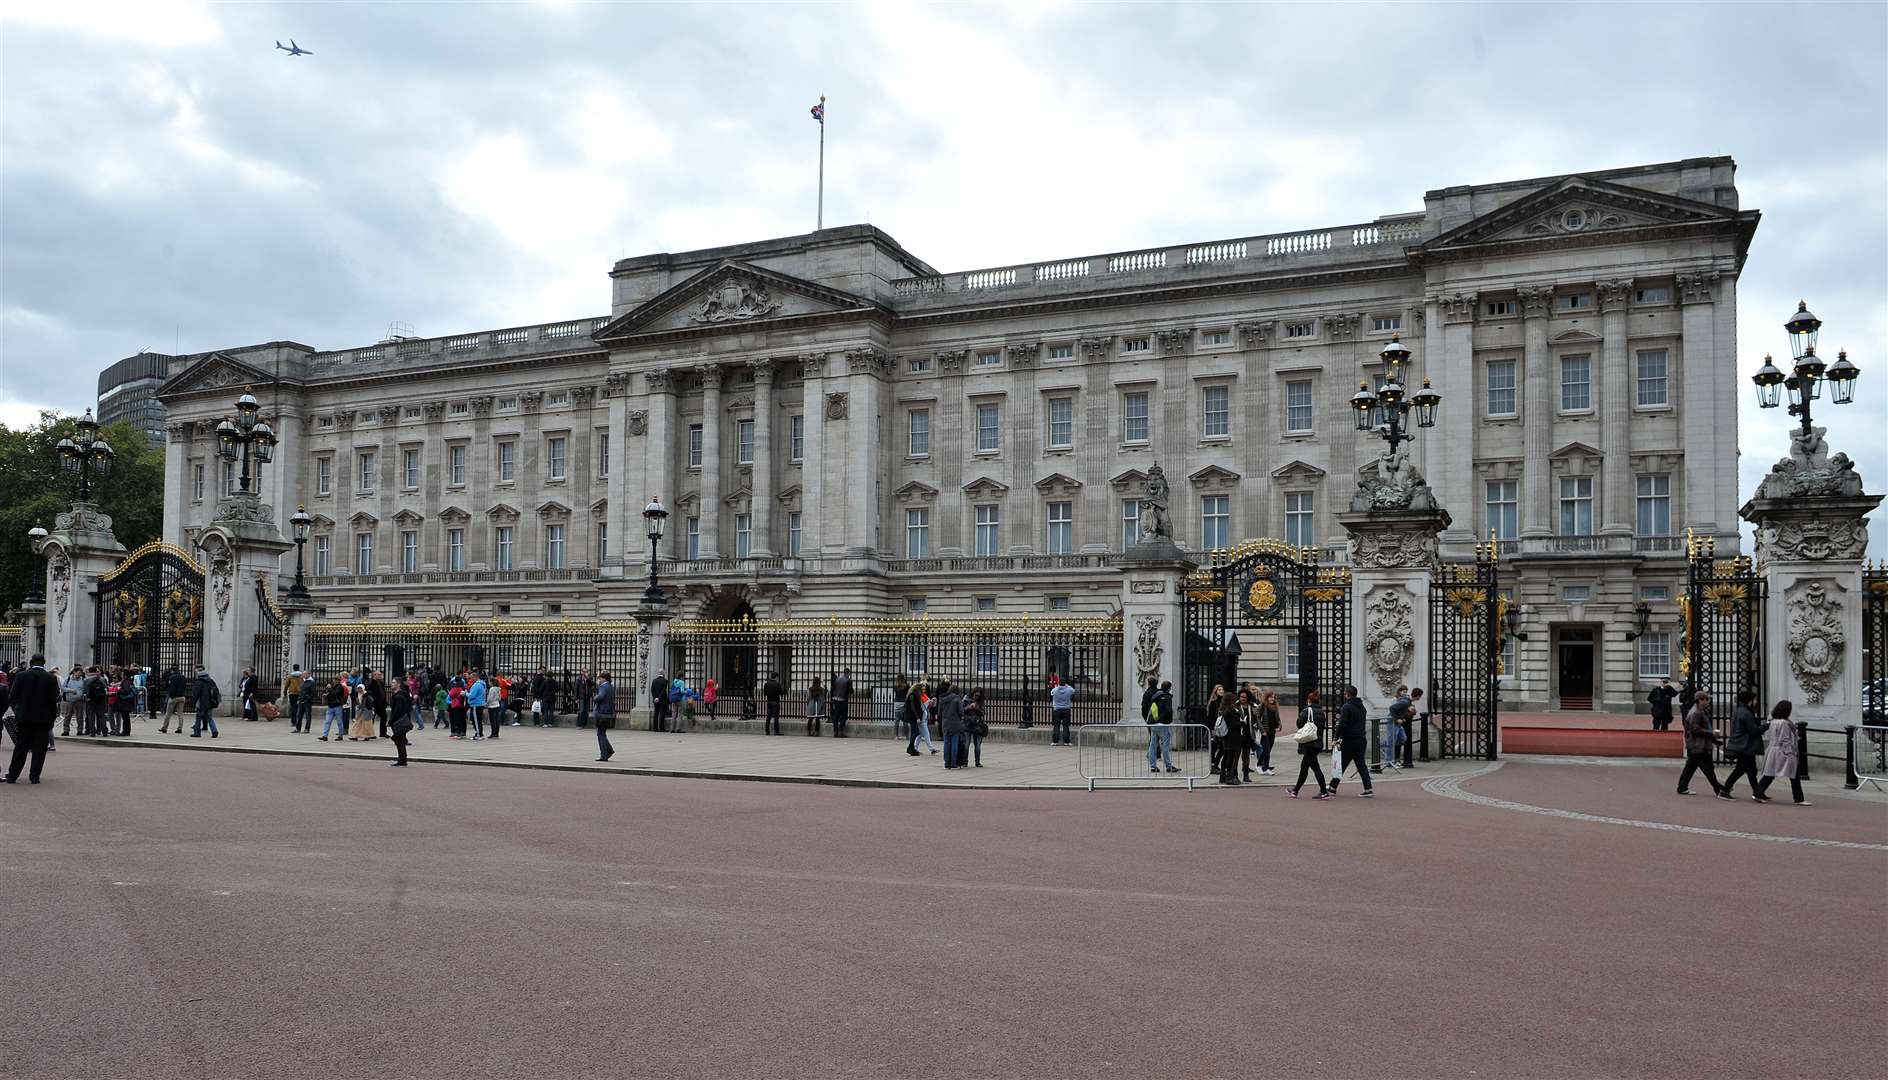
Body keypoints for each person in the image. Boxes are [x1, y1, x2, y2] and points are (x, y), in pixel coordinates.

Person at [5, 655, 59, 785]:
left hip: (24, 717)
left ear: (30, 663)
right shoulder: (51, 678)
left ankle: (13, 775)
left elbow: (13, 696)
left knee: (21, 747)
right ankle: (34, 776)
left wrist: (18, 710)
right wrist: (52, 717)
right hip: (43, 718)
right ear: (44, 663)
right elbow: (53, 700)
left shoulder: (21, 676)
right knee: (39, 749)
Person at [1755, 700, 1809, 805]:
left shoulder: (1773, 721)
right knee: (1794, 775)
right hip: (1783, 751)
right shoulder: (1784, 723)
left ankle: (1758, 792)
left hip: (1773, 750)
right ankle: (1799, 799)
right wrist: (1790, 753)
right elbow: (1785, 739)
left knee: (1770, 773)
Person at [1678, 690, 1729, 798]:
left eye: (1707, 699)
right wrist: (1712, 733)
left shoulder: (1701, 712)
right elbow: (1695, 730)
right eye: (1705, 699)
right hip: (1698, 745)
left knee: (1690, 768)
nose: (1707, 701)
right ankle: (1719, 789)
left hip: (1697, 745)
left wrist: (1713, 739)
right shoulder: (1696, 713)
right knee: (1708, 769)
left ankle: (1682, 787)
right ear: (1699, 700)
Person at [1328, 685, 1375, 797]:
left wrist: (1335, 738)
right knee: (1360, 765)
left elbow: (1342, 724)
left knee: (1342, 764)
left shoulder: (1347, 707)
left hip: (1350, 740)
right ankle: (1368, 789)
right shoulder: (1362, 707)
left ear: (1348, 694)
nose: (1344, 695)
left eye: (1345, 694)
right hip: (1361, 740)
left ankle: (1332, 787)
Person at [1721, 689, 1767, 798]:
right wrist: (1766, 726)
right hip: (1745, 745)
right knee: (1741, 769)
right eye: (1754, 699)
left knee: (1751, 771)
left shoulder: (1740, 710)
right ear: (1749, 701)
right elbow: (1754, 730)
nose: (1756, 702)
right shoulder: (1746, 713)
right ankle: (1725, 789)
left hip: (1742, 744)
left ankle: (1758, 792)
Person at [1287, 696, 1331, 799]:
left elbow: (1299, 723)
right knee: (1304, 767)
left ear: (1309, 701)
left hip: (1309, 743)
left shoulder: (1307, 710)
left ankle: (1324, 791)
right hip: (1318, 742)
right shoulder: (1321, 712)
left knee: (1315, 768)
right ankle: (1295, 791)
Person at [1146, 680, 1179, 774]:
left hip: (1153, 723)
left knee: (1153, 744)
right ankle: (1168, 766)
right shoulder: (1166, 697)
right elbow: (1168, 711)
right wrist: (1169, 721)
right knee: (1165, 745)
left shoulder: (1155, 695)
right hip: (1162, 724)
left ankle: (1153, 766)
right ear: (1169, 688)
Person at [1216, 694, 1244, 786]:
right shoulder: (1231, 711)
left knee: (1226, 756)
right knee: (1230, 757)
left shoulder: (1223, 710)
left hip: (1226, 736)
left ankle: (1222, 776)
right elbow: (1232, 725)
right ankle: (1229, 777)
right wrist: (1242, 723)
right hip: (1232, 736)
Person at [1383, 686, 1414, 770]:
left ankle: (1384, 745)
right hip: (1392, 721)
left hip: (1398, 722)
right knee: (1391, 741)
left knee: (1403, 738)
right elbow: (1392, 709)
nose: (1405, 693)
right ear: (1399, 691)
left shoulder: (1405, 701)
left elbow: (1401, 711)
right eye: (1403, 691)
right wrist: (1397, 719)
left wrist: (1402, 717)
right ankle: (1390, 761)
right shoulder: (1399, 700)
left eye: (1406, 692)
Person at [938, 681, 966, 768]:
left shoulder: (942, 699)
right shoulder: (957, 699)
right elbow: (961, 712)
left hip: (945, 723)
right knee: (954, 743)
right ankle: (953, 763)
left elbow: (939, 712)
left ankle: (946, 763)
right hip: (955, 723)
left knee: (946, 743)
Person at [1254, 690, 1282, 776]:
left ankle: (1260, 765)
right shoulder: (1262, 705)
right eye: (1270, 697)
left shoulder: (1275, 706)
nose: (1272, 699)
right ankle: (1264, 767)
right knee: (1266, 750)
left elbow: (1277, 718)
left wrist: (1280, 725)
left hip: (1272, 731)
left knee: (1268, 750)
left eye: (1273, 697)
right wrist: (1262, 731)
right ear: (1267, 697)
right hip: (1265, 731)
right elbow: (1257, 718)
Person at [388, 681, 414, 767]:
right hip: (401, 720)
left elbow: (397, 711)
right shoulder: (402, 695)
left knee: (399, 741)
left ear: (398, 684)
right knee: (400, 740)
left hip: (398, 721)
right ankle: (402, 759)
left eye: (393, 682)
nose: (391, 684)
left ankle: (402, 760)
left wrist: (391, 721)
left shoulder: (399, 696)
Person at [593, 672, 616, 762]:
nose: (599, 680)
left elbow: (600, 697)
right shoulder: (610, 686)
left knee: (600, 734)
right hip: (609, 711)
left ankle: (604, 755)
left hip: (602, 712)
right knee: (602, 733)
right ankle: (609, 750)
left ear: (604, 678)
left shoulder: (603, 687)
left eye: (600, 678)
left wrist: (595, 698)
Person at [191, 667, 220, 738]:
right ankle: (214, 730)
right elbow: (217, 692)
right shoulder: (211, 681)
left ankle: (197, 733)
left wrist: (193, 702)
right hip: (210, 703)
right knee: (210, 718)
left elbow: (196, 694)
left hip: (201, 703)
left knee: (198, 718)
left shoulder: (198, 682)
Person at [160, 667, 190, 733]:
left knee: (168, 713)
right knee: (180, 714)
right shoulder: (183, 678)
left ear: (173, 671)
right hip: (182, 697)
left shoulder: (172, 677)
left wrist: (171, 695)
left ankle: (164, 728)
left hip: (174, 697)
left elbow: (171, 687)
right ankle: (180, 728)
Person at [965, 688, 988, 768]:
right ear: (973, 693)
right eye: (975, 695)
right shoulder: (966, 699)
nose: (977, 697)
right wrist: (969, 707)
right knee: (966, 744)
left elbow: (983, 713)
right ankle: (965, 761)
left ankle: (977, 761)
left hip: (977, 724)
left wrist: (977, 708)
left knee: (977, 745)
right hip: (968, 724)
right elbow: (962, 710)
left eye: (978, 695)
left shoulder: (981, 702)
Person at [1050, 676, 1075, 747]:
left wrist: (1058, 686)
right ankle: (1066, 741)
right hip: (1066, 709)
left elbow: (1051, 692)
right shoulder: (1068, 690)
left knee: (1056, 726)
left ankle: (1055, 741)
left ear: (1059, 682)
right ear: (1065, 683)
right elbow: (1073, 690)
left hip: (1057, 709)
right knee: (1066, 726)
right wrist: (1067, 686)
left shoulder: (1055, 690)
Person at [320, 676, 348, 740]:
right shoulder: (332, 687)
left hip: (338, 706)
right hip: (330, 707)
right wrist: (326, 690)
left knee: (339, 722)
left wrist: (330, 688)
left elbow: (335, 693)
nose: (334, 681)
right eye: (334, 680)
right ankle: (325, 736)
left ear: (339, 681)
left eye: (336, 680)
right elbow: (326, 692)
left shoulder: (340, 687)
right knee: (327, 721)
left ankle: (340, 735)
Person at [831, 667, 853, 738]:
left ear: (844, 672)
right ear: (848, 673)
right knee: (843, 716)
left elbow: (833, 688)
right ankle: (841, 732)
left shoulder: (837, 679)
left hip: (835, 699)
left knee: (836, 716)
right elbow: (851, 691)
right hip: (843, 700)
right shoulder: (848, 680)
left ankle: (835, 732)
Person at [467, 673, 488, 739]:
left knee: (475, 720)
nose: (471, 680)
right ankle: (479, 732)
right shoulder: (482, 684)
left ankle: (479, 734)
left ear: (474, 677)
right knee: (478, 720)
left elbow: (472, 695)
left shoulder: (476, 685)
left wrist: (466, 694)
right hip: (480, 703)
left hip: (476, 704)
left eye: (471, 678)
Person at [284, 666, 305, 731]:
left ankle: (293, 721)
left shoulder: (290, 676)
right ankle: (298, 721)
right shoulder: (302, 676)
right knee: (299, 707)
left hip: (292, 693)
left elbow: (286, 685)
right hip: (299, 693)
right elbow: (304, 684)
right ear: (298, 668)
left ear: (293, 668)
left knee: (293, 707)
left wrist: (285, 692)